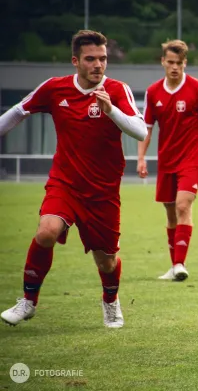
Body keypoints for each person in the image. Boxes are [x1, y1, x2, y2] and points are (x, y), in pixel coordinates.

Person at [0, 30, 148, 328]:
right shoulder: (55, 89)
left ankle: (110, 302)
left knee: (106, 260)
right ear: (75, 61)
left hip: (103, 191)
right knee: (46, 232)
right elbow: (17, 112)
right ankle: (28, 300)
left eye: (103, 59)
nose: (98, 65)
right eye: (91, 59)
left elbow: (141, 130)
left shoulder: (117, 90)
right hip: (65, 183)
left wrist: (110, 111)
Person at [137, 40, 198, 281]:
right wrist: (141, 157)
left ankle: (181, 263)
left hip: (192, 159)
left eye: (179, 63)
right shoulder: (153, 92)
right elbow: (146, 128)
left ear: (185, 63)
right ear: (162, 62)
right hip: (166, 161)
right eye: (170, 62)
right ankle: (174, 266)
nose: (174, 67)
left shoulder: (197, 88)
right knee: (171, 212)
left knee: (183, 205)